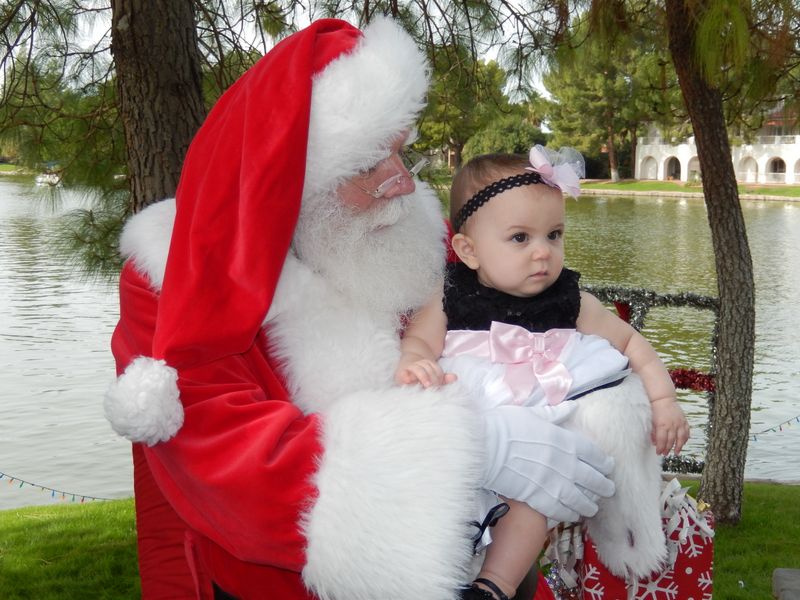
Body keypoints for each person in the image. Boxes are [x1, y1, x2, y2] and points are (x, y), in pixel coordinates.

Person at [103, 18, 616, 600]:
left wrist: (596, 408)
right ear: (290, 185)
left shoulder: (422, 235)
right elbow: (227, 465)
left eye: (400, 152)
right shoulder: (170, 276)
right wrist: (476, 448)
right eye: (367, 165)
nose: (401, 183)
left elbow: (536, 320)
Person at [395, 146, 691, 600]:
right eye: (520, 238)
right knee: (448, 505)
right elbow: (418, 341)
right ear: (468, 249)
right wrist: (414, 361)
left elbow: (633, 345)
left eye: (554, 235)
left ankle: (494, 587)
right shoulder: (450, 295)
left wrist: (664, 402)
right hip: (473, 430)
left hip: (541, 446)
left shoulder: (569, 302)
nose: (542, 253)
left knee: (530, 504)